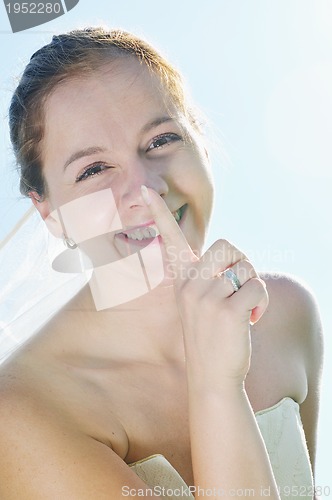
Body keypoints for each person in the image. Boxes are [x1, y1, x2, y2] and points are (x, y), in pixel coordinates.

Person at [0, 27, 323, 499]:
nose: (146, 191)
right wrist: (217, 386)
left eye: (160, 140)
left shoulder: (286, 313)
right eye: (93, 169)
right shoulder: (24, 412)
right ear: (49, 212)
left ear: (202, 144)